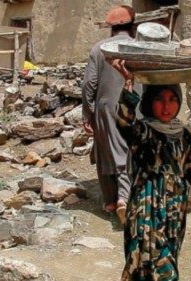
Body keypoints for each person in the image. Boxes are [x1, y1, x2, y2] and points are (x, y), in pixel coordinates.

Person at [111, 59, 191, 281]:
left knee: (168, 257)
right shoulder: (144, 132)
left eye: (172, 99)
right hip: (146, 209)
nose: (166, 106)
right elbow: (124, 122)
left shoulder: (183, 135)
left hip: (174, 213)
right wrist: (129, 86)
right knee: (146, 265)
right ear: (150, 102)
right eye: (159, 99)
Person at [82, 5, 141, 222]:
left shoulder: (98, 49)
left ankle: (114, 200)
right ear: (133, 26)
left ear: (111, 29)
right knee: (126, 149)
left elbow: (89, 84)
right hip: (135, 106)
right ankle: (122, 199)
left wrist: (87, 114)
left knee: (105, 150)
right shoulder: (141, 47)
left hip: (105, 108)